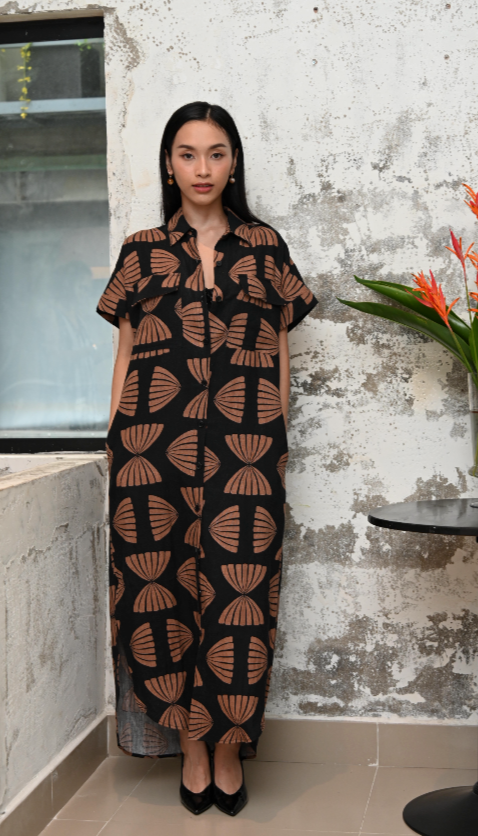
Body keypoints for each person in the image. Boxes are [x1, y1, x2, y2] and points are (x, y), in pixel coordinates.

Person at [96, 101, 319, 817]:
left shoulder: (265, 247)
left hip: (245, 454)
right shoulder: (139, 251)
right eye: (188, 154)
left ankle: (227, 745)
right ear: (169, 163)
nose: (202, 168)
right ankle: (189, 748)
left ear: (233, 162)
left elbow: (280, 356)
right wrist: (113, 443)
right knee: (156, 593)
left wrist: (274, 439)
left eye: (216, 153)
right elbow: (126, 354)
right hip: (148, 453)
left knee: (239, 600)